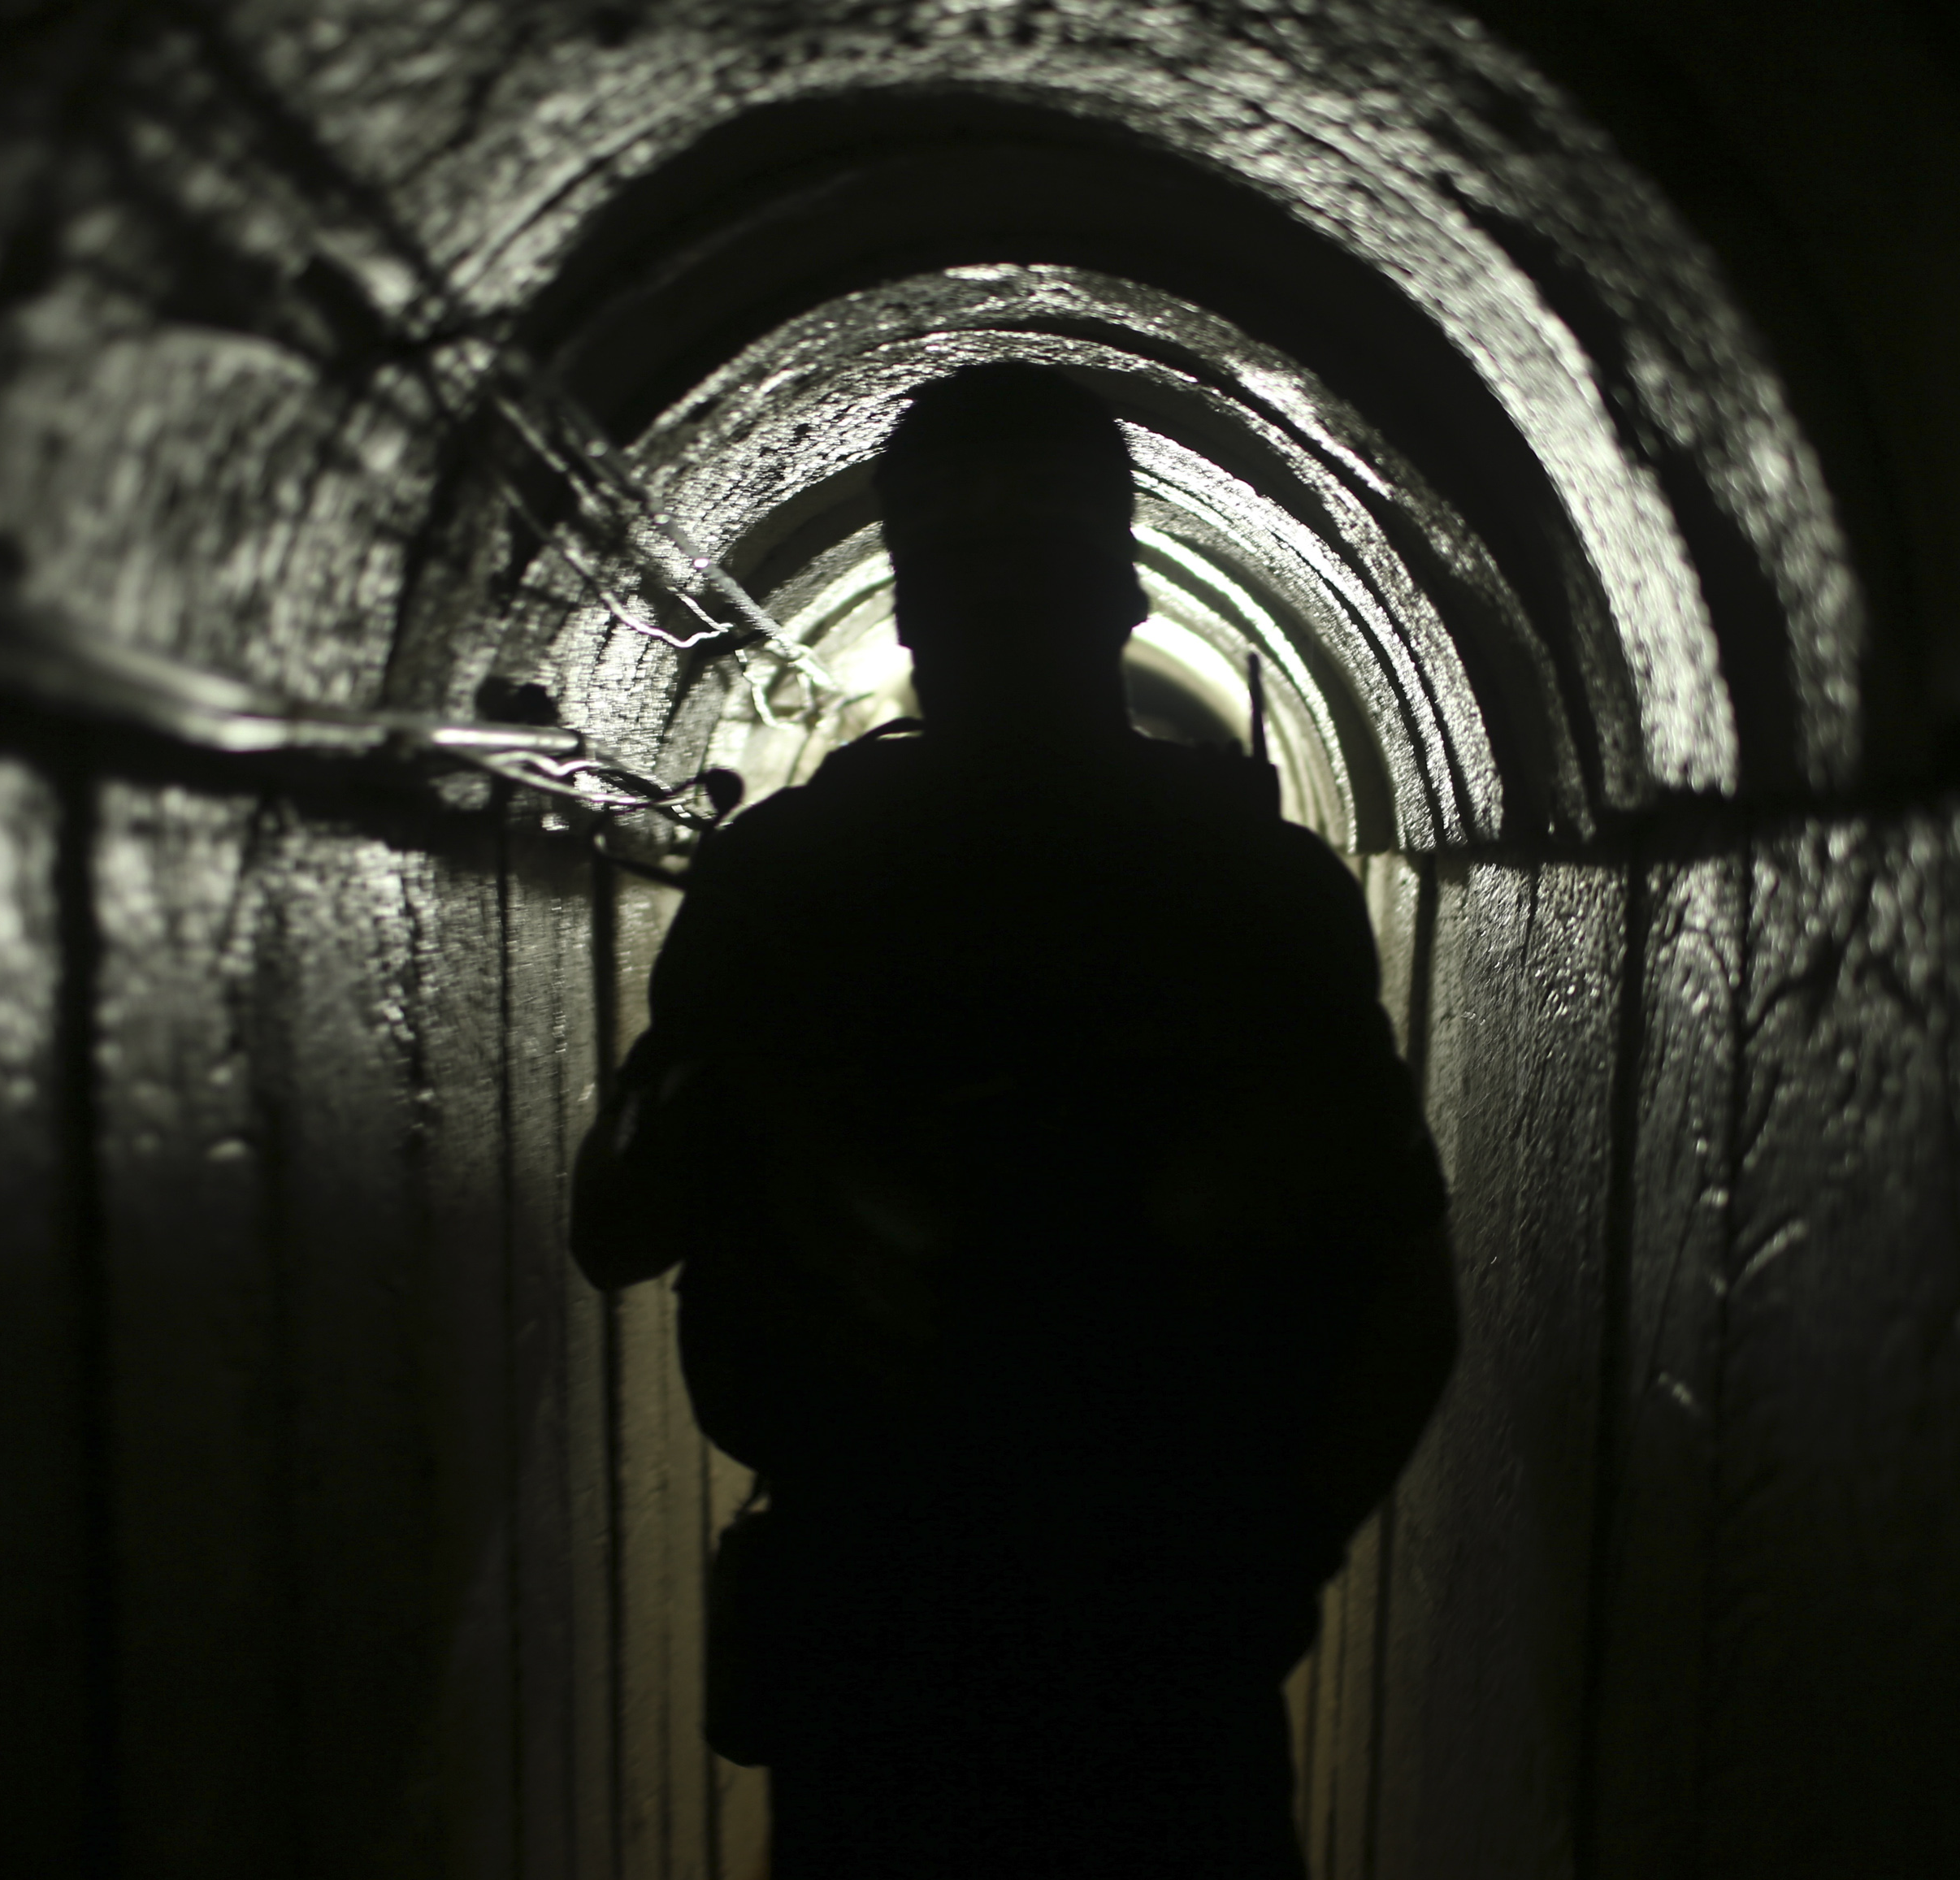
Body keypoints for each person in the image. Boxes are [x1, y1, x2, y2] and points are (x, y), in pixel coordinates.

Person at [570, 361, 1456, 1878]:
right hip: (1148, 1640)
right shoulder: (1253, 887)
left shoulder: (794, 877)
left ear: (903, 611)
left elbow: (620, 1220)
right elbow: (1400, 1293)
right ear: (1126, 595)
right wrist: (1271, 1556)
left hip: (895, 1637)